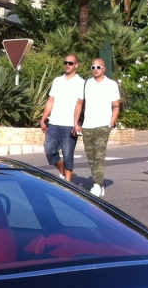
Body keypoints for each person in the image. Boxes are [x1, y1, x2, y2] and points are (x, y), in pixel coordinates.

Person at [77, 59, 121, 198]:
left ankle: (96, 184)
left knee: (99, 156)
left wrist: (111, 122)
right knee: (91, 158)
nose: (95, 69)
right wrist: (76, 122)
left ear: (104, 69)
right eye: (93, 67)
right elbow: (80, 103)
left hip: (103, 125)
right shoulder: (87, 83)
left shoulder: (111, 84)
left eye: (98, 67)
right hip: (87, 126)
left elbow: (116, 105)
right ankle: (99, 183)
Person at [39, 54, 84, 182]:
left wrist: (76, 123)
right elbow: (50, 101)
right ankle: (64, 172)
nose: (67, 65)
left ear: (76, 65)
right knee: (49, 151)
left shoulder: (81, 83)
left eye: (70, 63)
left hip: (69, 125)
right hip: (54, 123)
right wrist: (43, 120)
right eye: (66, 63)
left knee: (68, 155)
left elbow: (79, 104)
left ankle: (68, 186)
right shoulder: (57, 81)